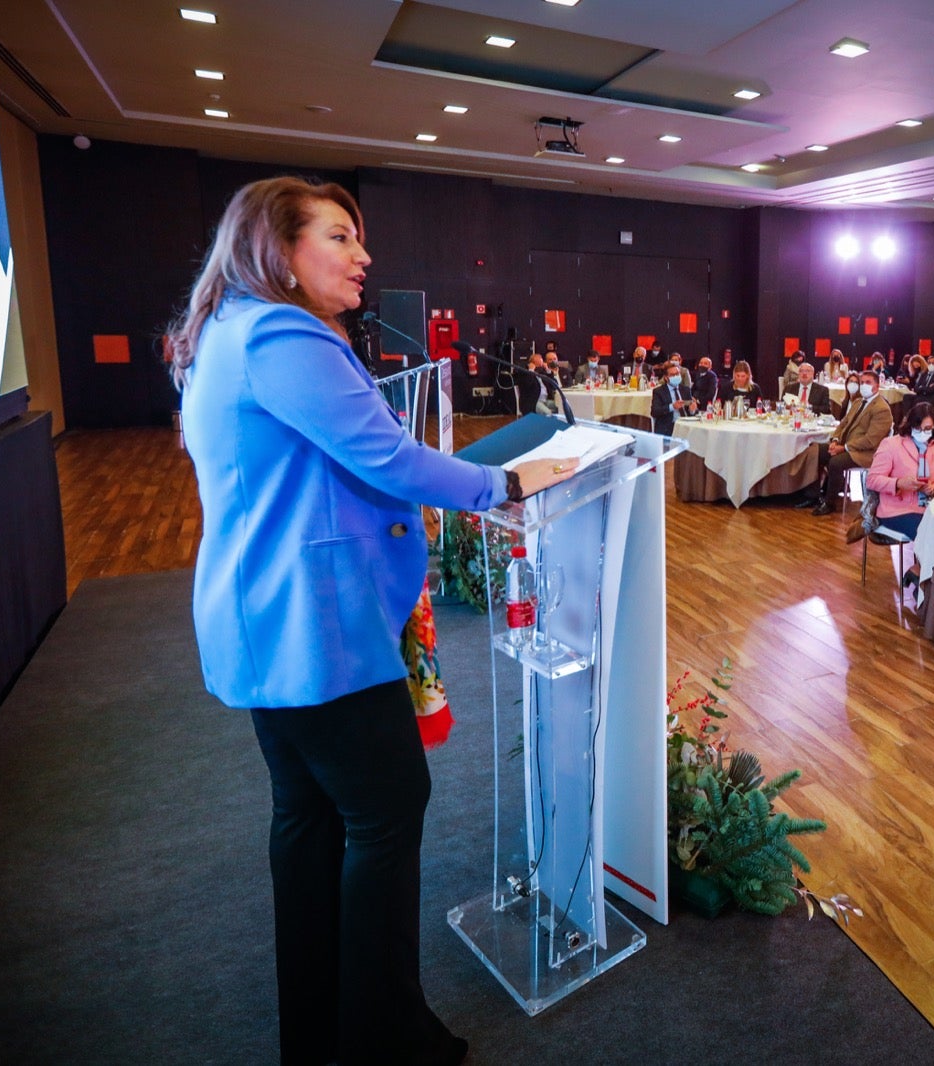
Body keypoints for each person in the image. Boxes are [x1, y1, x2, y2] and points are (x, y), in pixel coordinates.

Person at [171, 177, 576, 1066]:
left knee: (309, 817)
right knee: (388, 810)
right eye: (340, 238)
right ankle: (385, 1036)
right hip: (317, 630)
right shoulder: (280, 332)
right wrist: (501, 486)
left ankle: (319, 1027)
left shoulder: (227, 331)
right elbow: (385, 456)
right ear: (279, 251)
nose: (362, 258)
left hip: (267, 624)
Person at [866, 401, 934, 591]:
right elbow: (872, 480)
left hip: (928, 506)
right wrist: (898, 483)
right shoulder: (891, 444)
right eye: (918, 427)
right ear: (910, 425)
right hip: (896, 509)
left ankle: (920, 571)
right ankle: (928, 588)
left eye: (928, 428)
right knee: (930, 531)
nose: (923, 432)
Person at [806, 368, 892, 515]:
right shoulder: (858, 402)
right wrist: (835, 440)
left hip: (865, 453)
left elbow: (870, 440)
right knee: (814, 451)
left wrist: (844, 447)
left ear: (877, 386)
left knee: (836, 462)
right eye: (862, 382)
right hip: (846, 445)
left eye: (868, 382)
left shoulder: (882, 409)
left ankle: (830, 503)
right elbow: (843, 423)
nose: (863, 385)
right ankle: (813, 495)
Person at [651, 362, 698, 435]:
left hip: (686, 425)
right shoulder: (659, 391)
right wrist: (672, 406)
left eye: (678, 373)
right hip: (669, 426)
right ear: (666, 378)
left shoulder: (685, 390)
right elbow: (654, 411)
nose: (676, 376)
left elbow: (692, 411)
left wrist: (692, 410)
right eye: (673, 375)